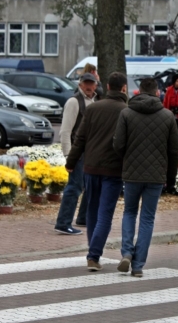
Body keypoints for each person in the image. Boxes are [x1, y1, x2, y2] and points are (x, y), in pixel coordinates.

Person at [113, 78, 178, 277]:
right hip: (156, 175)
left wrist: (127, 159)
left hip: (132, 173)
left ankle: (126, 252)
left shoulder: (126, 113)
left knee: (129, 212)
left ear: (139, 92)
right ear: (157, 92)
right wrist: (171, 177)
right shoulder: (168, 116)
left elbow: (118, 145)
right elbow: (174, 150)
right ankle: (139, 265)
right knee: (147, 219)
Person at [66, 72, 128, 271]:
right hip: (114, 169)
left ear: (107, 87)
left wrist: (71, 161)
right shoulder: (126, 111)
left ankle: (93, 253)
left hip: (91, 167)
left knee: (91, 211)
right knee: (105, 214)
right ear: (124, 89)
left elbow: (80, 138)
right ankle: (93, 254)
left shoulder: (93, 109)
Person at [54, 73, 98, 235]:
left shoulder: (93, 101)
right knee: (74, 187)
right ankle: (63, 223)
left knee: (89, 186)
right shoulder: (74, 102)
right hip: (77, 153)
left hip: (89, 153)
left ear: (95, 85)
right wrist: (68, 155)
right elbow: (65, 131)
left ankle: (83, 218)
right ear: (80, 84)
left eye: (91, 83)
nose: (88, 86)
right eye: (85, 83)